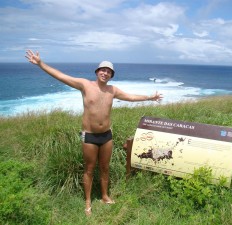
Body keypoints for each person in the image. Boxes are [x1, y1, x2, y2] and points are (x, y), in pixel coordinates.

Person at [25, 50, 163, 216]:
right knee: (89, 169)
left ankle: (105, 196)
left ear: (111, 75)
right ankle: (88, 201)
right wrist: (41, 64)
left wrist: (150, 97)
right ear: (97, 72)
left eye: (109, 72)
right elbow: (61, 76)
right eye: (103, 70)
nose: (105, 73)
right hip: (89, 136)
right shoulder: (85, 85)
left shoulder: (113, 90)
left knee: (105, 168)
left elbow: (131, 97)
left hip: (106, 136)